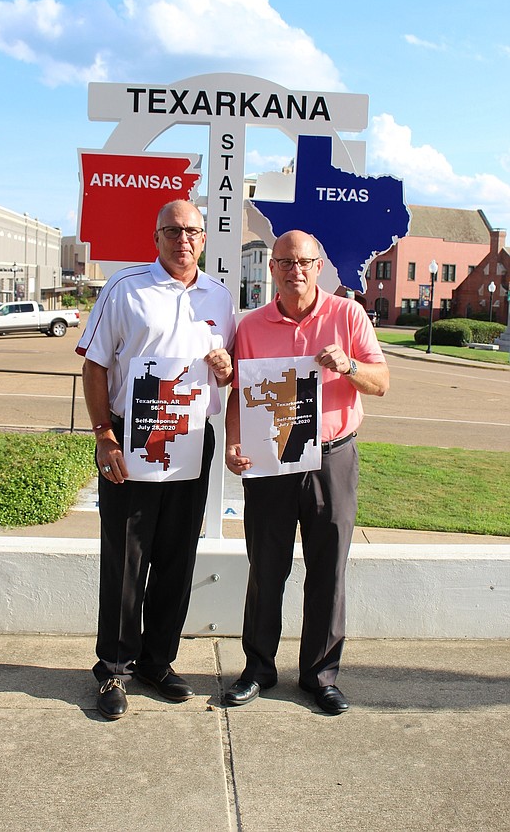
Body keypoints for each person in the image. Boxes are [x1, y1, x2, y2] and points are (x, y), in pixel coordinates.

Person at [77, 200, 235, 720]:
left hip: (191, 437)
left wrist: (225, 368)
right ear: (156, 236)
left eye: (191, 231)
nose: (182, 239)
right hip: (132, 437)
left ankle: (157, 662)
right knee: (126, 557)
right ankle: (114, 669)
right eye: (172, 230)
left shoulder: (220, 296)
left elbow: (227, 378)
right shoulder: (125, 288)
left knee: (176, 555)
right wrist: (104, 435)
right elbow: (96, 365)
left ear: (204, 238)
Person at [224, 229, 389, 714]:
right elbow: (240, 393)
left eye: (303, 262)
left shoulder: (348, 315)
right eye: (284, 262)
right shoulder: (251, 326)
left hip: (332, 456)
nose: (294, 270)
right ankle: (258, 668)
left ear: (319, 267)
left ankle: (320, 675)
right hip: (272, 460)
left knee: (328, 569)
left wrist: (349, 365)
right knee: (266, 568)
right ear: (271, 269)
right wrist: (235, 440)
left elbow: (380, 383)